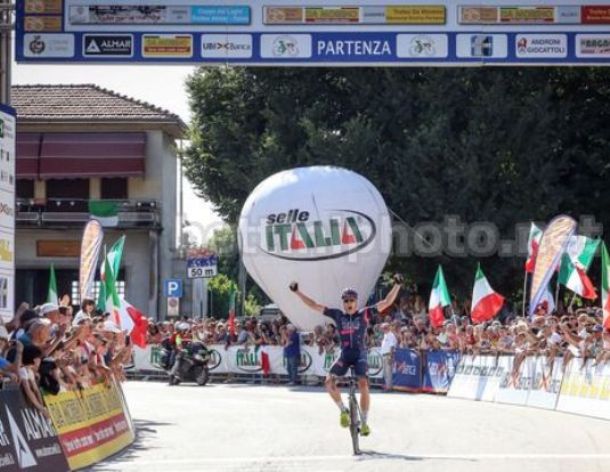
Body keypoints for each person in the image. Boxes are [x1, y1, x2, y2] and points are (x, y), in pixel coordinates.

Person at [289, 274, 403, 436]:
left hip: (359, 355)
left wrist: (397, 285)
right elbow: (313, 305)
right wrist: (297, 292)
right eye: (346, 301)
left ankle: (364, 421)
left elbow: (386, 302)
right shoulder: (337, 315)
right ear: (343, 303)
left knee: (363, 384)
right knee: (328, 382)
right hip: (345, 354)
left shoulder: (365, 313)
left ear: (356, 302)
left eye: (351, 300)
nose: (349, 303)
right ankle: (343, 410)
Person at [380, 322, 397, 391]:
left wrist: (390, 356)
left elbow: (392, 346)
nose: (382, 330)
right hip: (384, 355)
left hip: (388, 355)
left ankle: (389, 387)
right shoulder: (385, 335)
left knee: (388, 372)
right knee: (386, 372)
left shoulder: (390, 335)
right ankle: (387, 385)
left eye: (383, 328)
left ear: (386, 328)